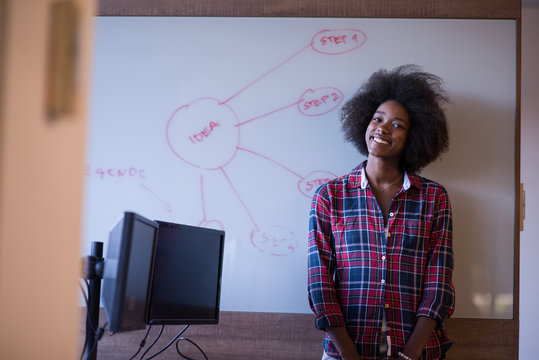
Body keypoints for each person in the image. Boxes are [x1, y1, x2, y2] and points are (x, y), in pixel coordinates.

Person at [307, 64, 455, 360]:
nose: (383, 128)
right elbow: (319, 282)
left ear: (414, 136)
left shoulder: (434, 197)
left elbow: (439, 281)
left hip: (417, 352)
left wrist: (410, 354)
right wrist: (349, 354)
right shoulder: (329, 196)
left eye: (397, 124)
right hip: (344, 352)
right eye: (378, 118)